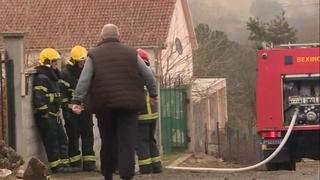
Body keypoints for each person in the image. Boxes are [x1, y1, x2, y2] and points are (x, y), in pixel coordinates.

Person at [71, 24, 157, 180]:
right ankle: (126, 175)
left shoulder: (94, 55)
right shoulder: (132, 53)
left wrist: (77, 100)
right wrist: (153, 94)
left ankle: (108, 175)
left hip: (104, 106)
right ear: (119, 36)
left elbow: (84, 79)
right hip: (129, 107)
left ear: (102, 37)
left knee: (108, 141)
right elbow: (148, 75)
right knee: (127, 142)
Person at [32, 48, 76, 173]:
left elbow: (57, 96)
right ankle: (56, 167)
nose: (56, 65)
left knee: (62, 139)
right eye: (54, 62)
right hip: (46, 117)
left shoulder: (52, 77)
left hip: (54, 116)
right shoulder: (42, 77)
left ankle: (64, 165)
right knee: (52, 143)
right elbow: (39, 99)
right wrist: (45, 114)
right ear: (47, 62)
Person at [59, 45, 96, 171]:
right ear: (74, 61)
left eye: (84, 61)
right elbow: (62, 97)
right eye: (81, 61)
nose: (83, 63)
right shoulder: (65, 74)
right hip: (71, 114)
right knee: (73, 138)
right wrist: (71, 107)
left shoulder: (87, 72)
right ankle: (75, 164)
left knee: (88, 137)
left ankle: (89, 164)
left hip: (86, 111)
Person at [135, 48, 162, 174]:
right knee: (151, 139)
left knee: (142, 141)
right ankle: (157, 166)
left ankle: (145, 168)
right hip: (153, 114)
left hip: (142, 114)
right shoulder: (150, 73)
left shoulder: (136, 75)